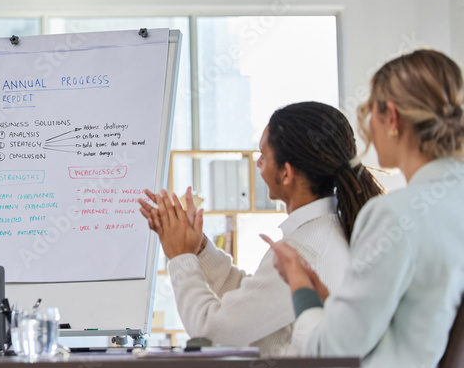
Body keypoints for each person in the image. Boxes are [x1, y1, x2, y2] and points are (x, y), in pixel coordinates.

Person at [265, 49, 464, 368]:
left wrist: (299, 284)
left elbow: (329, 355)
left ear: (391, 117)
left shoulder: (395, 216)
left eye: (370, 109)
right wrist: (331, 301)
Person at [138, 101, 383, 354]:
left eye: (263, 156)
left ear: (286, 174)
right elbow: (252, 304)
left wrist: (181, 257)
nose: (257, 164)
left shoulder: (304, 250)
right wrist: (200, 249)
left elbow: (210, 332)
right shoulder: (325, 231)